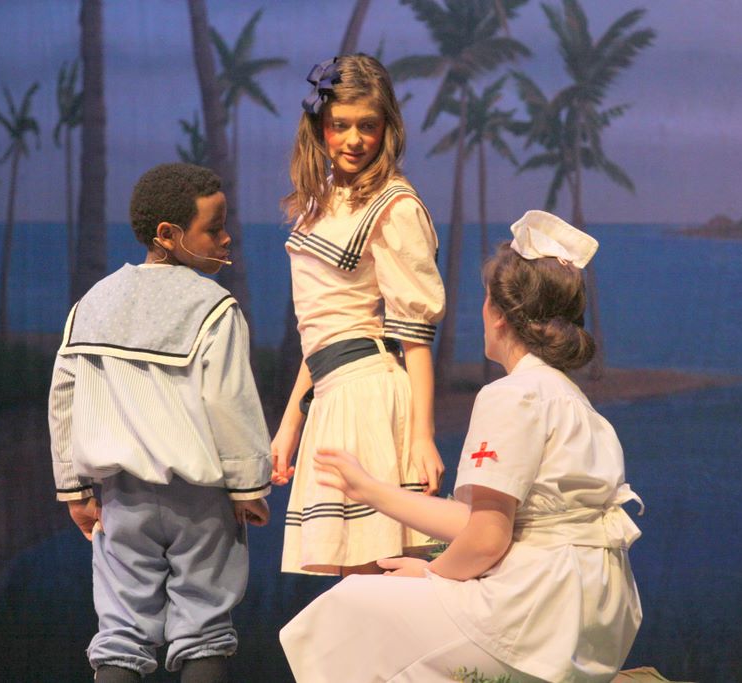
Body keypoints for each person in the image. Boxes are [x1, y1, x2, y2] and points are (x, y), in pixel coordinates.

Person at [281, 211, 644, 683]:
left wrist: (433, 577)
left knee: (346, 608)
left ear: (497, 314)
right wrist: (370, 489)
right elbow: (480, 521)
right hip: (595, 617)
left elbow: (487, 538)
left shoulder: (512, 396)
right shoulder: (574, 402)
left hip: (538, 612)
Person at [48, 162, 272, 683]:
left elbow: (64, 399)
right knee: (203, 629)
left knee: (121, 632)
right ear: (168, 235)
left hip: (122, 499)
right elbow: (230, 402)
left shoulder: (92, 303)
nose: (226, 237)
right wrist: (247, 488)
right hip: (200, 501)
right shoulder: (214, 308)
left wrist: (74, 490)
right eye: (213, 228)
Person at [272, 54, 446, 576]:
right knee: (355, 585)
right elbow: (320, 332)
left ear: (387, 128)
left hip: (370, 397)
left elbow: (415, 336)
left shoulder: (395, 205)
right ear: (319, 127)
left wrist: (422, 436)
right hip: (332, 396)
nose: (353, 139)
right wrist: (290, 423)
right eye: (340, 125)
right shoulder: (319, 201)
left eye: (367, 126)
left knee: (379, 578)